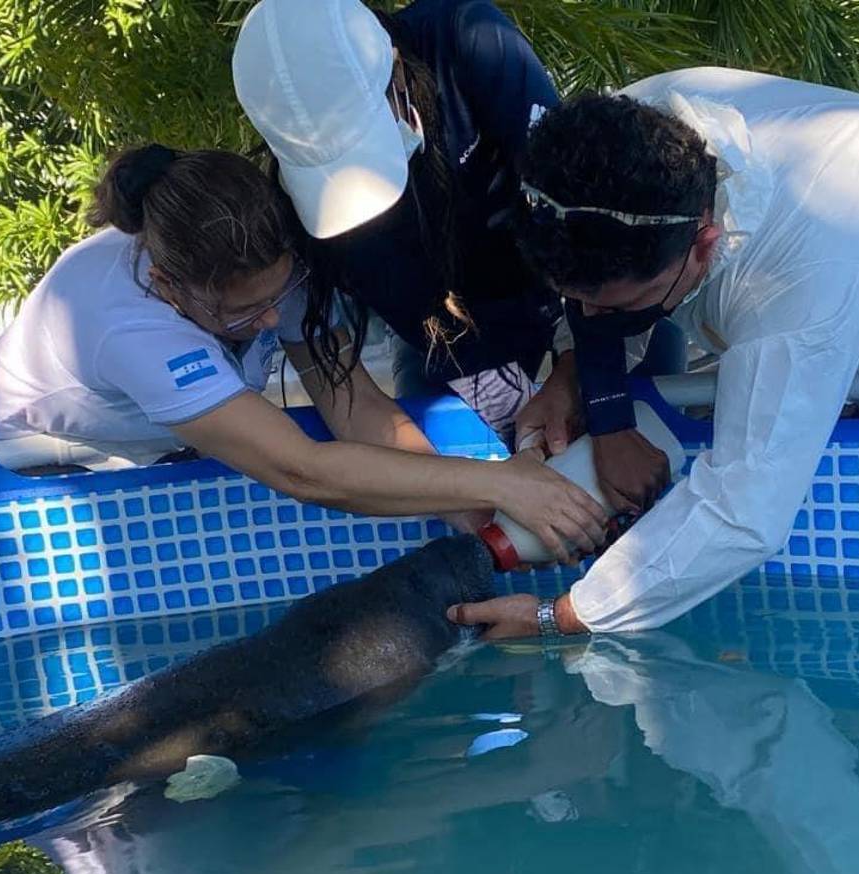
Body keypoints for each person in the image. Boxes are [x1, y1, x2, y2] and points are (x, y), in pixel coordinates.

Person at [446, 66, 859, 637]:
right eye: (580, 300)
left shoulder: (801, 279)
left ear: (705, 241)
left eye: (629, 302)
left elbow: (746, 507)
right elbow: (595, 282)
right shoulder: (620, 143)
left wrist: (566, 615)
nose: (597, 319)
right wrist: (580, 385)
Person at [0, 145, 608, 562]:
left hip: (142, 434)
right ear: (167, 285)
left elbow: (360, 409)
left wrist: (478, 512)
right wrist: (499, 480)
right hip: (24, 455)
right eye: (242, 314)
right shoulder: (131, 325)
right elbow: (302, 473)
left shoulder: (262, 263)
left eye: (280, 293)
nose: (272, 319)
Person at [232, 0, 678, 511]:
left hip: (577, 297)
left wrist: (601, 401)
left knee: (640, 457)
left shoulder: (471, 40)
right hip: (441, 339)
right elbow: (355, 398)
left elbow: (585, 230)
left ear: (397, 70)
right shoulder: (288, 202)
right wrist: (476, 493)